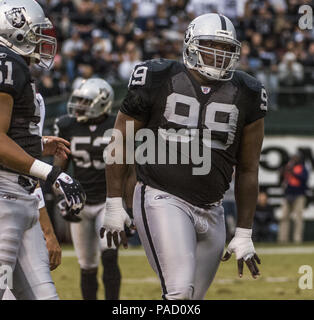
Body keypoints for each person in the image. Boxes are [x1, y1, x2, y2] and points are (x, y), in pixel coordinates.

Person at [101, 13, 267, 300]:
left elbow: (249, 168)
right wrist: (114, 201)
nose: (220, 54)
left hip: (213, 209)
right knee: (178, 292)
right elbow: (120, 139)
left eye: (227, 48)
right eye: (211, 45)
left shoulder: (248, 92)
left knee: (191, 300)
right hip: (162, 196)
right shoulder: (157, 77)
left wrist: (243, 231)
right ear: (191, 45)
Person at [0, 0, 86, 300]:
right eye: (35, 32)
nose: (41, 40)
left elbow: (10, 138)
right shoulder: (7, 64)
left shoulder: (18, 70)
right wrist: (51, 173)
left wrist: (37, 146)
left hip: (21, 199)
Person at [53, 78, 130, 300]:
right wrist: (61, 196)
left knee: (109, 256)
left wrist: (128, 208)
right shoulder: (67, 125)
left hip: (108, 201)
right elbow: (59, 168)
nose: (79, 106)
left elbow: (129, 167)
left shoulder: (115, 124)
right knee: (87, 265)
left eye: (85, 101)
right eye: (78, 100)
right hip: (80, 202)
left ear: (102, 102)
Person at [278, 153, 309, 244]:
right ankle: (282, 239)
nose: (294, 160)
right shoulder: (287, 167)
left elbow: (304, 179)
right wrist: (282, 173)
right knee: (284, 217)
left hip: (299, 195)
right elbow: (281, 181)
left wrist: (293, 172)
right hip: (287, 195)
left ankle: (297, 239)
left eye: (296, 158)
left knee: (298, 218)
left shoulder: (302, 168)